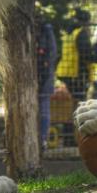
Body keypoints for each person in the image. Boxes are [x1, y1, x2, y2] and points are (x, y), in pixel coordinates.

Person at [56, 9, 95, 146]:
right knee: (78, 106)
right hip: (77, 74)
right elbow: (86, 55)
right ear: (86, 21)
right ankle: (75, 138)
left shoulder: (68, 32)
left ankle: (68, 138)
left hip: (65, 73)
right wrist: (96, 58)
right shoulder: (81, 33)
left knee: (69, 107)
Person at [36, 19, 57, 150]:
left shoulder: (46, 30)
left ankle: (42, 139)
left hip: (44, 76)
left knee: (43, 109)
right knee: (41, 109)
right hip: (38, 76)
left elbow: (52, 55)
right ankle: (39, 138)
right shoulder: (41, 31)